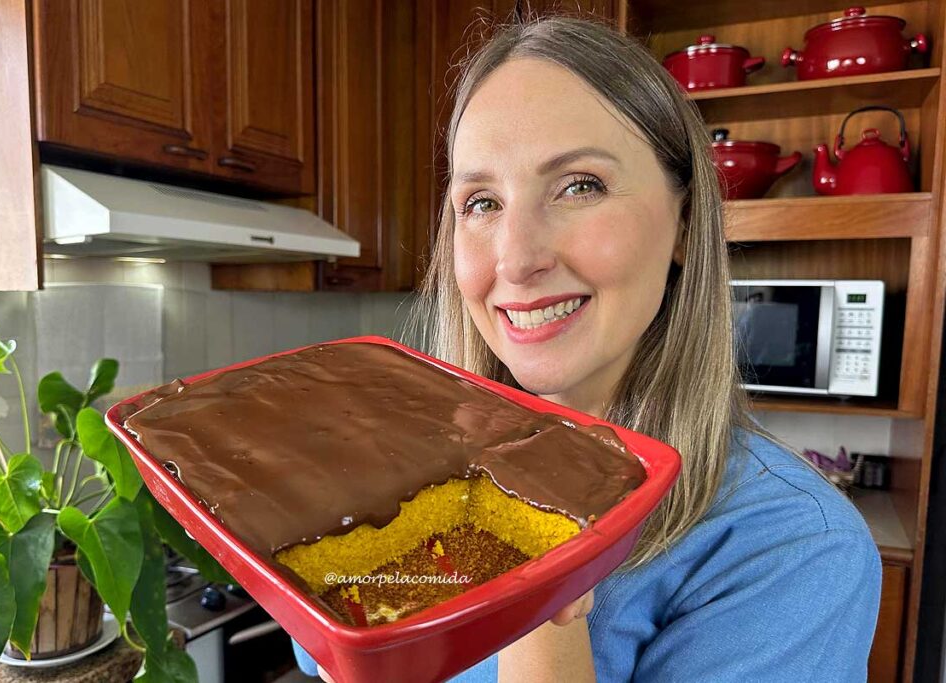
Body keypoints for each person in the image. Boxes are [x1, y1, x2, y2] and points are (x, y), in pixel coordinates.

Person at [293, 17, 881, 682]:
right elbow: (327, 657)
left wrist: (544, 583)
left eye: (580, 185)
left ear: (685, 224)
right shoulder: (424, 472)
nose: (516, 260)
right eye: (481, 202)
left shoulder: (797, 550)